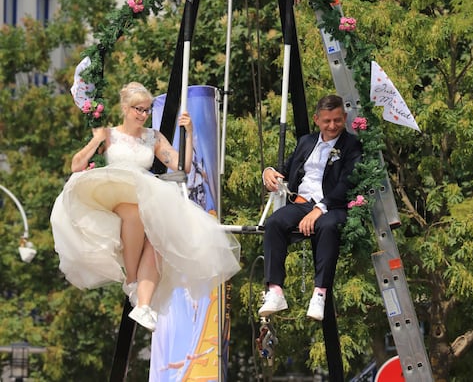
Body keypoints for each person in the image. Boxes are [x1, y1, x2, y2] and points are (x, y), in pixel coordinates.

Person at [50, 82, 240, 333]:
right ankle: (131, 279)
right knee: (132, 212)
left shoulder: (154, 136)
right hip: (115, 190)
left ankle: (144, 305)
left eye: (147, 110)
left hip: (145, 190)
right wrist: (95, 140)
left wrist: (190, 132)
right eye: (137, 109)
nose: (142, 115)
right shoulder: (109, 134)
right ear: (125, 108)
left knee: (160, 238)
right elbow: (76, 165)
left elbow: (181, 167)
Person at [260, 94, 362, 322]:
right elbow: (286, 169)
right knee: (274, 222)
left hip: (333, 204)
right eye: (327, 121)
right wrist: (268, 171)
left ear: (344, 118)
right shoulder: (306, 142)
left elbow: (348, 181)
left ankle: (320, 293)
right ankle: (275, 290)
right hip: (302, 202)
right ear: (317, 120)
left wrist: (320, 208)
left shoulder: (352, 145)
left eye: (337, 120)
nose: (332, 126)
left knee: (328, 226)